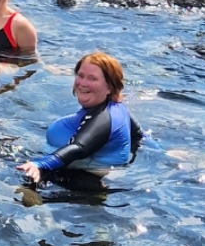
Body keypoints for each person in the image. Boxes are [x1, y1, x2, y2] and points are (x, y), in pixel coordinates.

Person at [17, 51, 144, 189]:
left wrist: (40, 164)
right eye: (81, 75)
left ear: (109, 87)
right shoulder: (117, 108)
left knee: (19, 176)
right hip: (92, 171)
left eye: (92, 79)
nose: (83, 83)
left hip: (86, 178)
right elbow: (138, 134)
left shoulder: (103, 118)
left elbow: (79, 147)